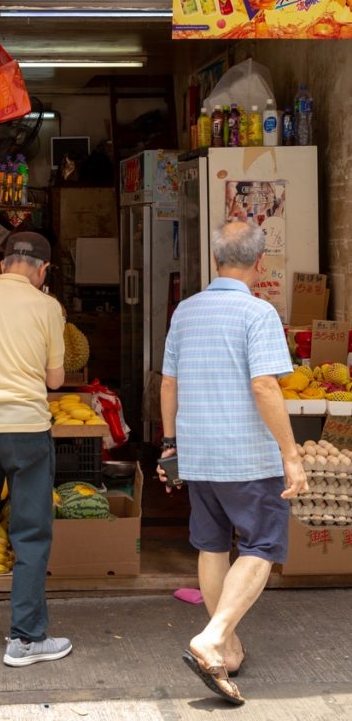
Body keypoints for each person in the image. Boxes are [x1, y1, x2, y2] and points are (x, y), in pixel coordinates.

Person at [158, 221, 308, 706]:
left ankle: (227, 648)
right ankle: (212, 633)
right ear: (260, 263)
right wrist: (291, 454)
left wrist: (170, 445)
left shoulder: (185, 311)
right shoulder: (257, 312)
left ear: (214, 259)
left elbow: (168, 383)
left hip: (199, 453)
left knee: (212, 545)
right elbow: (265, 386)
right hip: (249, 456)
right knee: (262, 543)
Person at [0, 230, 72, 667]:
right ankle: (25, 639)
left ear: (2, 265)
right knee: (30, 534)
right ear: (42, 271)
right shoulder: (47, 306)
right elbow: (56, 380)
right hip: (26, 429)